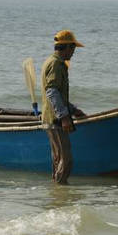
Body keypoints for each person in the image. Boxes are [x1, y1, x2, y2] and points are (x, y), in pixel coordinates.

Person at [41, 30, 86, 184]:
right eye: (73, 49)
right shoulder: (56, 64)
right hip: (55, 120)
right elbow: (52, 91)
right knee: (66, 160)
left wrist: (73, 110)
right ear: (66, 47)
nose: (73, 53)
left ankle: (56, 192)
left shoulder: (51, 61)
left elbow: (57, 93)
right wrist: (65, 117)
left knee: (58, 158)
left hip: (51, 117)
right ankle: (60, 192)